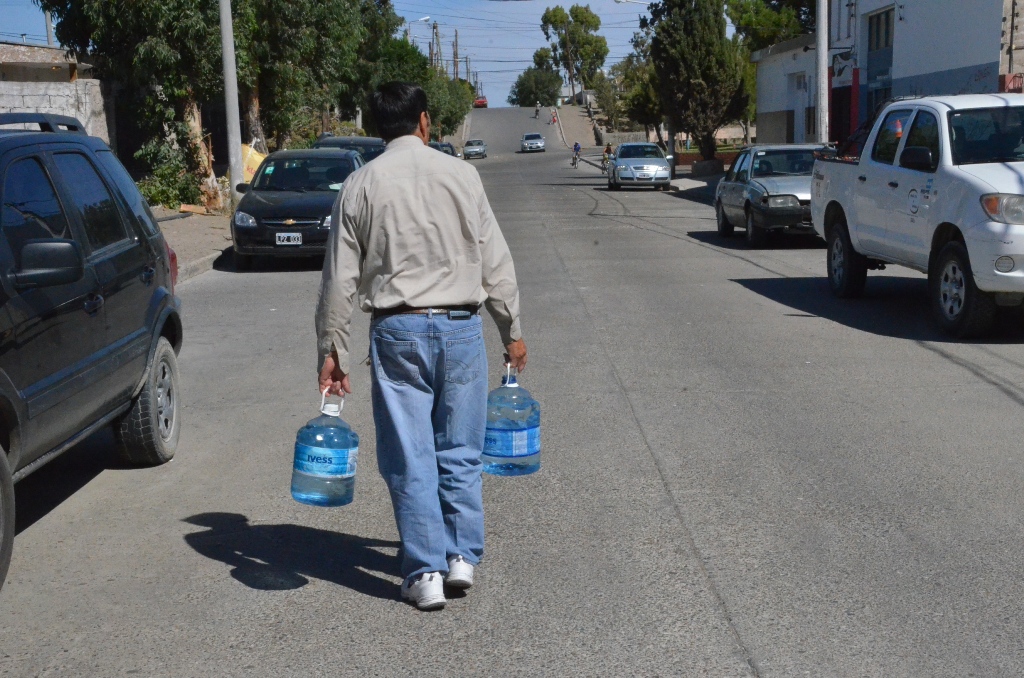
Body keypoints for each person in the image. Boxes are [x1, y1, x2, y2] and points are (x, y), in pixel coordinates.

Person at [315, 82, 527, 611]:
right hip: (460, 327)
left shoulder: (359, 185)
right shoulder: (462, 176)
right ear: (425, 123)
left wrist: (334, 351)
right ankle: (461, 559)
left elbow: (339, 279)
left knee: (411, 454)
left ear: (375, 127)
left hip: (397, 329)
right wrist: (512, 330)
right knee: (460, 447)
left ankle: (425, 573)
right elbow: (494, 260)